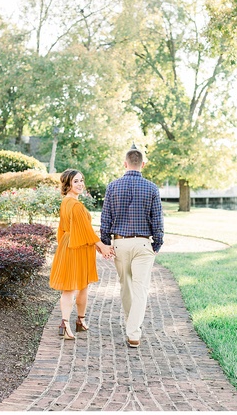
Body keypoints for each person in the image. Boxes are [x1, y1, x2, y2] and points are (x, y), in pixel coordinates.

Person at [100, 146, 164, 348]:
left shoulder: (112, 186)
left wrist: (106, 242)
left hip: (120, 243)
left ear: (125, 164)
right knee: (140, 289)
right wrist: (158, 242)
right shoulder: (152, 188)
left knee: (126, 287)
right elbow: (158, 220)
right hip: (144, 243)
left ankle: (132, 329)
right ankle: (133, 331)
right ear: (142, 164)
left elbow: (105, 218)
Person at [49, 169, 115, 340]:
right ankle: (66, 323)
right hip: (76, 248)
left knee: (81, 285)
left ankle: (80, 320)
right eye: (75, 181)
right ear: (68, 184)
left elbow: (63, 229)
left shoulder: (66, 201)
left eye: (81, 180)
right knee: (71, 287)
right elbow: (86, 230)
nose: (80, 184)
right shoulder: (76, 205)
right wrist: (102, 246)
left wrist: (96, 246)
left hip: (71, 245)